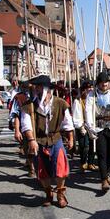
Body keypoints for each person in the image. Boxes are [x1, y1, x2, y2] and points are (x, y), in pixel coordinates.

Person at [20, 75, 74, 208]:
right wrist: (32, 140)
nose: (36, 90)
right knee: (42, 171)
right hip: (38, 140)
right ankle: (49, 193)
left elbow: (68, 123)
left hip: (56, 139)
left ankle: (60, 194)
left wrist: (71, 138)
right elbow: (26, 125)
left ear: (47, 89)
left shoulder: (60, 103)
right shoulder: (30, 106)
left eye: (39, 87)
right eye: (36, 88)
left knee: (61, 169)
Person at [72, 80, 97, 172]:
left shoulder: (94, 100)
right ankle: (83, 163)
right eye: (87, 88)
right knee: (84, 146)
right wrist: (80, 126)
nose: (89, 90)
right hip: (82, 125)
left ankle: (90, 163)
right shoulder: (78, 101)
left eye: (91, 88)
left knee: (92, 145)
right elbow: (76, 115)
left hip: (92, 125)